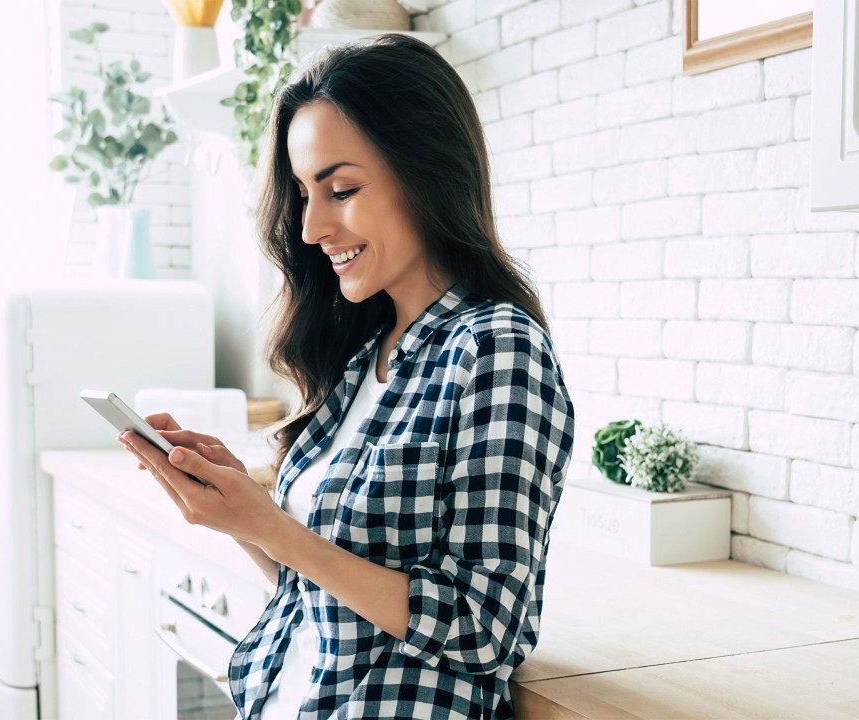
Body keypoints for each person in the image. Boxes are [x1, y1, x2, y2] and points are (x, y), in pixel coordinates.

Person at [119, 33, 576, 720]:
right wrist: (242, 511)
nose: (311, 228)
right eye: (304, 195)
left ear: (427, 171)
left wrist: (275, 529)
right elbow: (324, 595)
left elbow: (486, 631)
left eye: (340, 190)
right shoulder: (365, 355)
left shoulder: (496, 351)